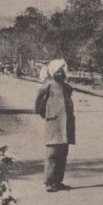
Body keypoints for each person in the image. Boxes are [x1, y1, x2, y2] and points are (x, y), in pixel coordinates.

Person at [35, 59, 75, 192]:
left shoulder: (67, 87)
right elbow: (39, 105)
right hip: (54, 124)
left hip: (66, 124)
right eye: (57, 71)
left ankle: (58, 181)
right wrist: (48, 115)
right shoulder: (48, 86)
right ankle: (49, 182)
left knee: (63, 153)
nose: (60, 73)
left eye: (61, 71)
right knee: (52, 153)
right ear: (52, 72)